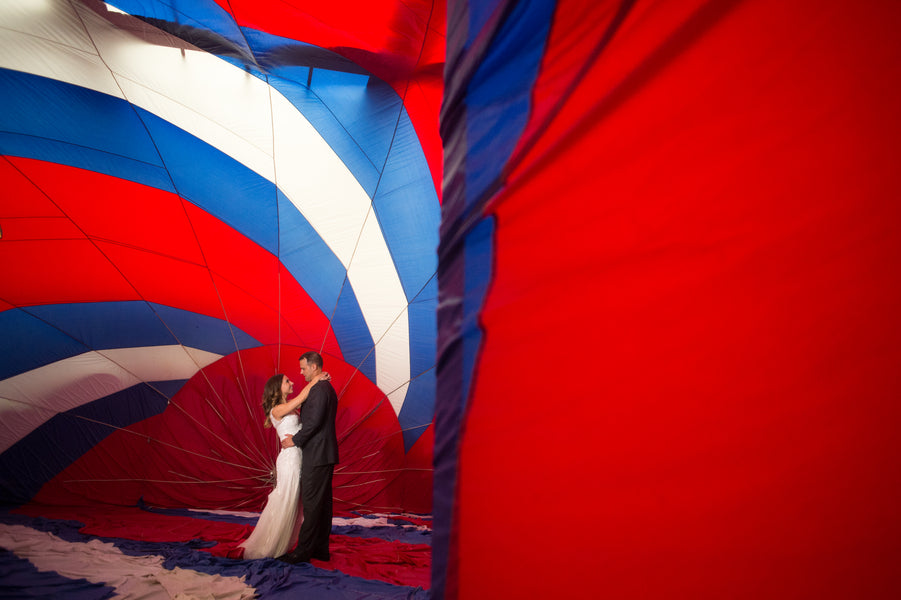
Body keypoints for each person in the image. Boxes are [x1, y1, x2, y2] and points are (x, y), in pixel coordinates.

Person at [240, 370, 329, 559]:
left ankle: (286, 541)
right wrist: (316, 380)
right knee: (286, 499)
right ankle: (270, 543)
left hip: (298, 456)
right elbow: (301, 398)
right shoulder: (277, 410)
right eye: (287, 381)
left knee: (295, 502)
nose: (292, 383)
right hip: (289, 460)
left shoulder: (287, 407)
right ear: (277, 388)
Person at [277, 351, 339, 564]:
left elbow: (313, 423)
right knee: (322, 505)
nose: (301, 372)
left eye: (303, 368)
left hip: (318, 454)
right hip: (324, 453)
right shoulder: (322, 387)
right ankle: (320, 549)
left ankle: (302, 552)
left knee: (313, 505)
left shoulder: (320, 389)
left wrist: (294, 440)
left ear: (314, 367)